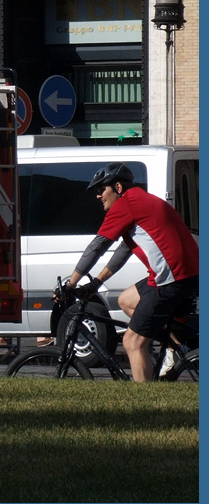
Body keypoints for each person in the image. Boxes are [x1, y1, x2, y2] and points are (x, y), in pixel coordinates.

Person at [59, 162, 198, 382]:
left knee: (133, 342)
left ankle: (145, 405)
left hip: (171, 278)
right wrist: (96, 282)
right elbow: (123, 251)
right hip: (182, 274)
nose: (98, 196)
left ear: (118, 188)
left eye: (101, 190)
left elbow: (97, 247)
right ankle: (172, 346)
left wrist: (71, 284)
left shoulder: (126, 205)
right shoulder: (142, 201)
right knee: (126, 300)